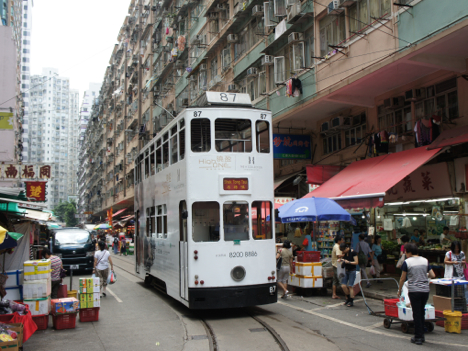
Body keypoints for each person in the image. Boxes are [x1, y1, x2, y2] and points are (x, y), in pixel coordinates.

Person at [398, 243, 435, 345]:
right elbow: (432, 275)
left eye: (405, 251)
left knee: (416, 313)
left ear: (409, 252)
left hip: (414, 291)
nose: (405, 253)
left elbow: (402, 278)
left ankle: (418, 337)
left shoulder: (407, 262)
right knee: (421, 312)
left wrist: (399, 290)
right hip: (425, 291)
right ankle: (421, 334)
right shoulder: (425, 260)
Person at [339, 242, 358, 307]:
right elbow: (344, 260)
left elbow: (356, 262)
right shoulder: (345, 254)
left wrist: (348, 262)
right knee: (343, 286)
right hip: (346, 271)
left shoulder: (353, 252)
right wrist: (342, 260)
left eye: (343, 250)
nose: (343, 251)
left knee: (350, 286)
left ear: (347, 248)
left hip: (352, 271)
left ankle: (351, 301)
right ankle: (348, 298)